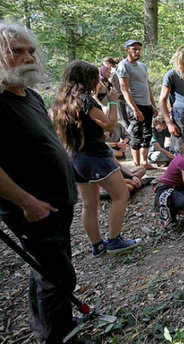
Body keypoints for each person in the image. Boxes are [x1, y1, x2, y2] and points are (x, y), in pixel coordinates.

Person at [0, 22, 79, 344]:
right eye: (16, 51)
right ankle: (57, 337)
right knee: (57, 275)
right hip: (34, 208)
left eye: (30, 50)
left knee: (48, 272)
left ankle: (49, 325)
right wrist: (28, 204)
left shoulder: (28, 94)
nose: (27, 57)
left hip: (56, 200)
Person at [52, 60, 142, 257]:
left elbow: (82, 128)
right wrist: (112, 100)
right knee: (121, 196)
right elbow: (110, 125)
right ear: (87, 79)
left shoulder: (62, 102)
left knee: (88, 205)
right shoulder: (86, 100)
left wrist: (96, 132)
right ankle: (114, 240)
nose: (97, 82)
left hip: (76, 157)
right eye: (95, 78)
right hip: (95, 157)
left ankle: (97, 246)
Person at [116, 39, 158, 170]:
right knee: (136, 134)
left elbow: (147, 86)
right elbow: (124, 89)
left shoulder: (142, 66)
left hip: (147, 105)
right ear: (127, 50)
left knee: (147, 134)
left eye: (139, 49)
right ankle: (137, 165)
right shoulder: (123, 66)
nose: (137, 51)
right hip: (135, 104)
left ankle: (144, 162)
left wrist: (153, 105)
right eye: (134, 49)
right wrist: (134, 109)